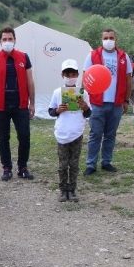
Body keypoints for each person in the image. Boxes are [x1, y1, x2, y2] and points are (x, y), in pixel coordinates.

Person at [0, 26, 36, 181]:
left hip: (20, 104)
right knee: (3, 138)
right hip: (0, 105)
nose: (7, 42)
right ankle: (6, 168)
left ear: (15, 40)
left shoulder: (24, 57)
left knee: (25, 136)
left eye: (10, 39)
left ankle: (23, 167)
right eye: (4, 39)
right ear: (0, 41)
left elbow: (30, 81)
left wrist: (32, 103)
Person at [83, 28, 132, 175]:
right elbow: (85, 79)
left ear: (116, 39)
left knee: (111, 135)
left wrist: (126, 100)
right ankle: (91, 164)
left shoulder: (124, 57)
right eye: (106, 38)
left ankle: (106, 162)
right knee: (95, 134)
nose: (108, 40)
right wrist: (84, 100)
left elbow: (129, 80)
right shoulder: (92, 56)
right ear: (101, 39)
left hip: (116, 103)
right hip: (97, 103)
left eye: (111, 38)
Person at [48, 59, 91, 202]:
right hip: (62, 133)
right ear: (62, 75)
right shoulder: (57, 92)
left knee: (74, 164)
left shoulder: (83, 93)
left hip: (77, 133)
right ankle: (62, 190)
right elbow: (50, 111)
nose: (70, 77)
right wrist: (57, 110)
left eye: (73, 74)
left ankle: (72, 190)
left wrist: (85, 107)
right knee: (62, 165)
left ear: (78, 75)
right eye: (67, 74)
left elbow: (88, 114)